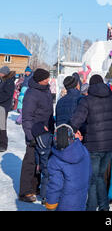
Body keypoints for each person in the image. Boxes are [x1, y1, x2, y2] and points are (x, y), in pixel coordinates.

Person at [70, 74, 112, 211]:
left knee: (92, 178)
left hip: (93, 144)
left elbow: (76, 120)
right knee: (99, 177)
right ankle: (103, 207)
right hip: (109, 145)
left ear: (91, 86)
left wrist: (73, 130)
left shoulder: (87, 100)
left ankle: (92, 207)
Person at [19, 68, 55, 203]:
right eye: (46, 78)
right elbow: (27, 117)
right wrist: (30, 136)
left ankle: (35, 187)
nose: (48, 80)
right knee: (30, 161)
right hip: (34, 133)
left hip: (45, 133)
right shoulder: (31, 93)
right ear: (40, 79)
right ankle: (25, 191)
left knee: (41, 161)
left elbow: (48, 112)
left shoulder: (46, 90)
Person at [45, 124, 91, 211]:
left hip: (64, 204)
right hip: (81, 199)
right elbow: (89, 173)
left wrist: (50, 205)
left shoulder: (54, 160)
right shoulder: (83, 150)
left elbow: (55, 185)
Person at [31, 122, 53, 204]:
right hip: (51, 163)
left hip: (43, 164)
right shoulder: (50, 137)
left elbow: (37, 155)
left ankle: (43, 196)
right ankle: (51, 196)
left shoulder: (37, 143)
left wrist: (38, 164)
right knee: (52, 179)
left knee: (45, 179)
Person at [0, 67, 17, 152]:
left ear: (5, 73)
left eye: (1, 73)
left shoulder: (9, 82)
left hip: (3, 107)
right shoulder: (3, 80)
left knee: (2, 126)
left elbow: (7, 95)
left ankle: (3, 144)